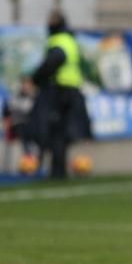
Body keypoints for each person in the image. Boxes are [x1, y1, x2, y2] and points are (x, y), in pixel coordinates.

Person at [27, 10, 94, 179]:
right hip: (71, 90)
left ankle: (57, 170)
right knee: (62, 132)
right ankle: (60, 169)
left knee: (55, 130)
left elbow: (52, 62)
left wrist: (35, 79)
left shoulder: (58, 41)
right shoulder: (70, 39)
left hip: (60, 91)